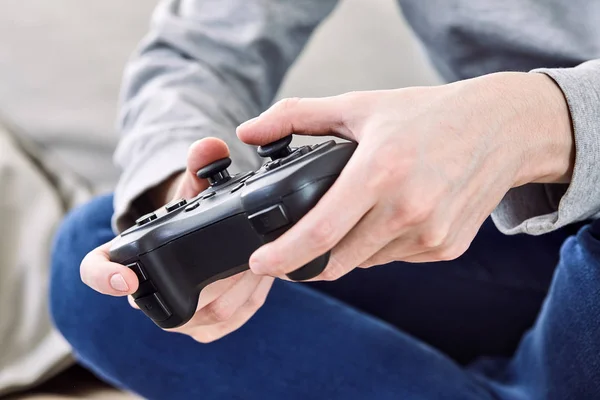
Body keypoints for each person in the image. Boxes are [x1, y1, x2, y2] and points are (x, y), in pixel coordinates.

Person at [50, 0, 600, 398]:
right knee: (114, 264)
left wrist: (537, 117)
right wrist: (192, 204)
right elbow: (200, 53)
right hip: (507, 219)